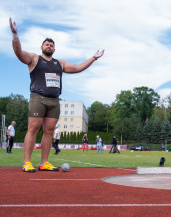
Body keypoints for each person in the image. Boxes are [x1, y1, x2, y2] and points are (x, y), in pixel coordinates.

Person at [9, 18, 104, 172]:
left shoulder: (59, 63)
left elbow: (79, 67)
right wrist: (15, 36)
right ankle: (27, 162)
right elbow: (19, 53)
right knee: (33, 128)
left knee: (49, 131)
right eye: (47, 44)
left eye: (52, 45)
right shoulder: (34, 59)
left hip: (54, 101)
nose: (49, 46)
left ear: (54, 49)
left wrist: (93, 58)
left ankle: (44, 162)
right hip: (38, 98)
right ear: (41, 47)